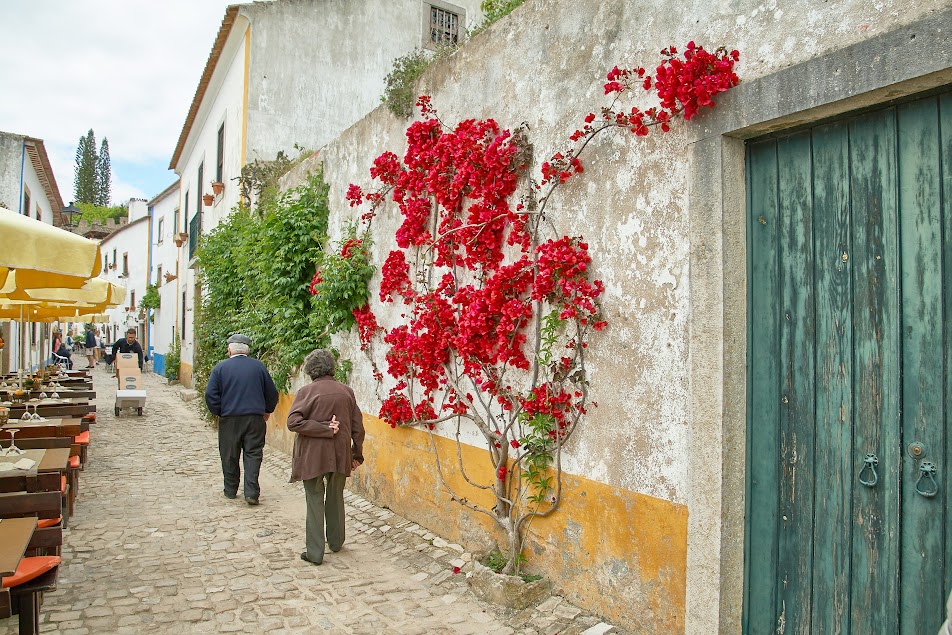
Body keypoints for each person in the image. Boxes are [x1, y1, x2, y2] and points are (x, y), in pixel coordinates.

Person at [286, 349, 364, 565]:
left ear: (311, 370)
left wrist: (320, 428)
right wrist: (357, 454)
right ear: (332, 367)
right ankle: (336, 542)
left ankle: (315, 552)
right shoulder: (346, 392)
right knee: (336, 496)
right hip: (340, 453)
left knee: (314, 499)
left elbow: (293, 422)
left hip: (313, 455)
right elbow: (358, 427)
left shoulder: (306, 392)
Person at [204, 334, 279, 505]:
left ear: (229, 349)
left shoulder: (220, 368)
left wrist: (219, 411)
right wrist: (267, 410)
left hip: (229, 419)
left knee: (229, 454)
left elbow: (210, 395)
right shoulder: (259, 367)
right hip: (255, 418)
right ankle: (251, 492)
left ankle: (230, 490)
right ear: (248, 349)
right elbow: (272, 393)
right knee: (253, 454)